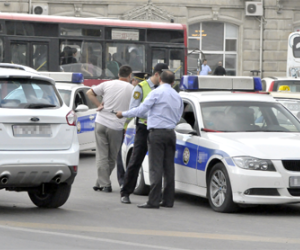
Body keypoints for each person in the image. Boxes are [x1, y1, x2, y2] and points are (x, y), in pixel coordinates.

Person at [116, 70, 183, 208]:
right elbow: (178, 116)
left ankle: (153, 201)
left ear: (160, 79)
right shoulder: (177, 96)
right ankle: (168, 200)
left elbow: (140, 110)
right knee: (168, 168)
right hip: (170, 133)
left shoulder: (156, 93)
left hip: (156, 133)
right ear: (172, 82)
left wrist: (123, 114)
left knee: (155, 167)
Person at [86, 65, 134, 193]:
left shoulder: (107, 84)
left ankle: (100, 182)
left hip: (100, 122)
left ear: (118, 74)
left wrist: (98, 105)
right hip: (116, 126)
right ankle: (106, 184)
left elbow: (89, 93)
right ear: (130, 76)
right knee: (111, 157)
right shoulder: (132, 89)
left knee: (102, 155)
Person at [116, 72, 150, 188]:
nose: (132, 82)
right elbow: (133, 110)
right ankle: (125, 188)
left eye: (134, 80)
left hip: (146, 127)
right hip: (137, 127)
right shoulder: (138, 89)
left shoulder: (148, 88)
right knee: (134, 160)